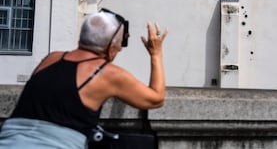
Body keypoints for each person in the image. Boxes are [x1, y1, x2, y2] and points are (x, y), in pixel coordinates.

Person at [0, 8, 167, 148]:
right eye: (118, 46)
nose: (120, 50)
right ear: (110, 46)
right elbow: (156, 99)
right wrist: (156, 53)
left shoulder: (52, 58)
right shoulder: (107, 73)